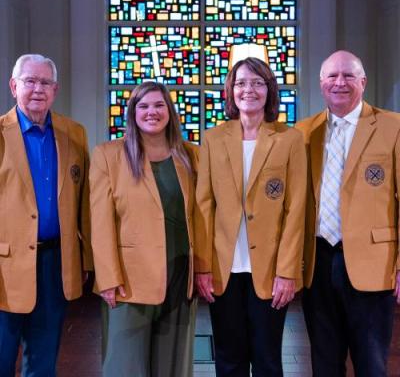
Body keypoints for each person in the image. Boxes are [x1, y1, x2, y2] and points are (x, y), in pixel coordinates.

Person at [195, 57, 307, 376]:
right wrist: (202, 266)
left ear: (270, 91)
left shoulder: (289, 139)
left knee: (268, 356)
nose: (249, 90)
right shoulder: (213, 139)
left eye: (258, 83)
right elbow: (204, 206)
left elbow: (295, 210)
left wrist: (287, 271)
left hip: (271, 269)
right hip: (223, 266)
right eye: (241, 83)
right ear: (230, 92)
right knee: (229, 357)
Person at [296, 50, 400, 377]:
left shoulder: (392, 127)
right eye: (332, 76)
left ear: (363, 82)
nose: (340, 82)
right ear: (321, 83)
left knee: (371, 363)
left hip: (373, 262)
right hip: (318, 261)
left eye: (348, 76)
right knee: (325, 364)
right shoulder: (303, 132)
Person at [90, 81, 199, 376]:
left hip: (179, 276)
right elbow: (100, 223)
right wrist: (108, 278)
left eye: (159, 105)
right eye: (144, 106)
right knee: (126, 367)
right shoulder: (108, 156)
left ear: (170, 112)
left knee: (173, 368)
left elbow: (200, 217)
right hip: (129, 279)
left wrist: (202, 271)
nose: (152, 112)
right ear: (132, 113)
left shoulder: (190, 156)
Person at [0, 54, 92, 377]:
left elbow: (85, 204)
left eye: (45, 83)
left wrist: (86, 261)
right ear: (14, 86)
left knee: (42, 364)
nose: (37, 89)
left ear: (55, 90)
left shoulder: (74, 134)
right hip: (4, 268)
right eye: (30, 81)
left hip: (55, 264)